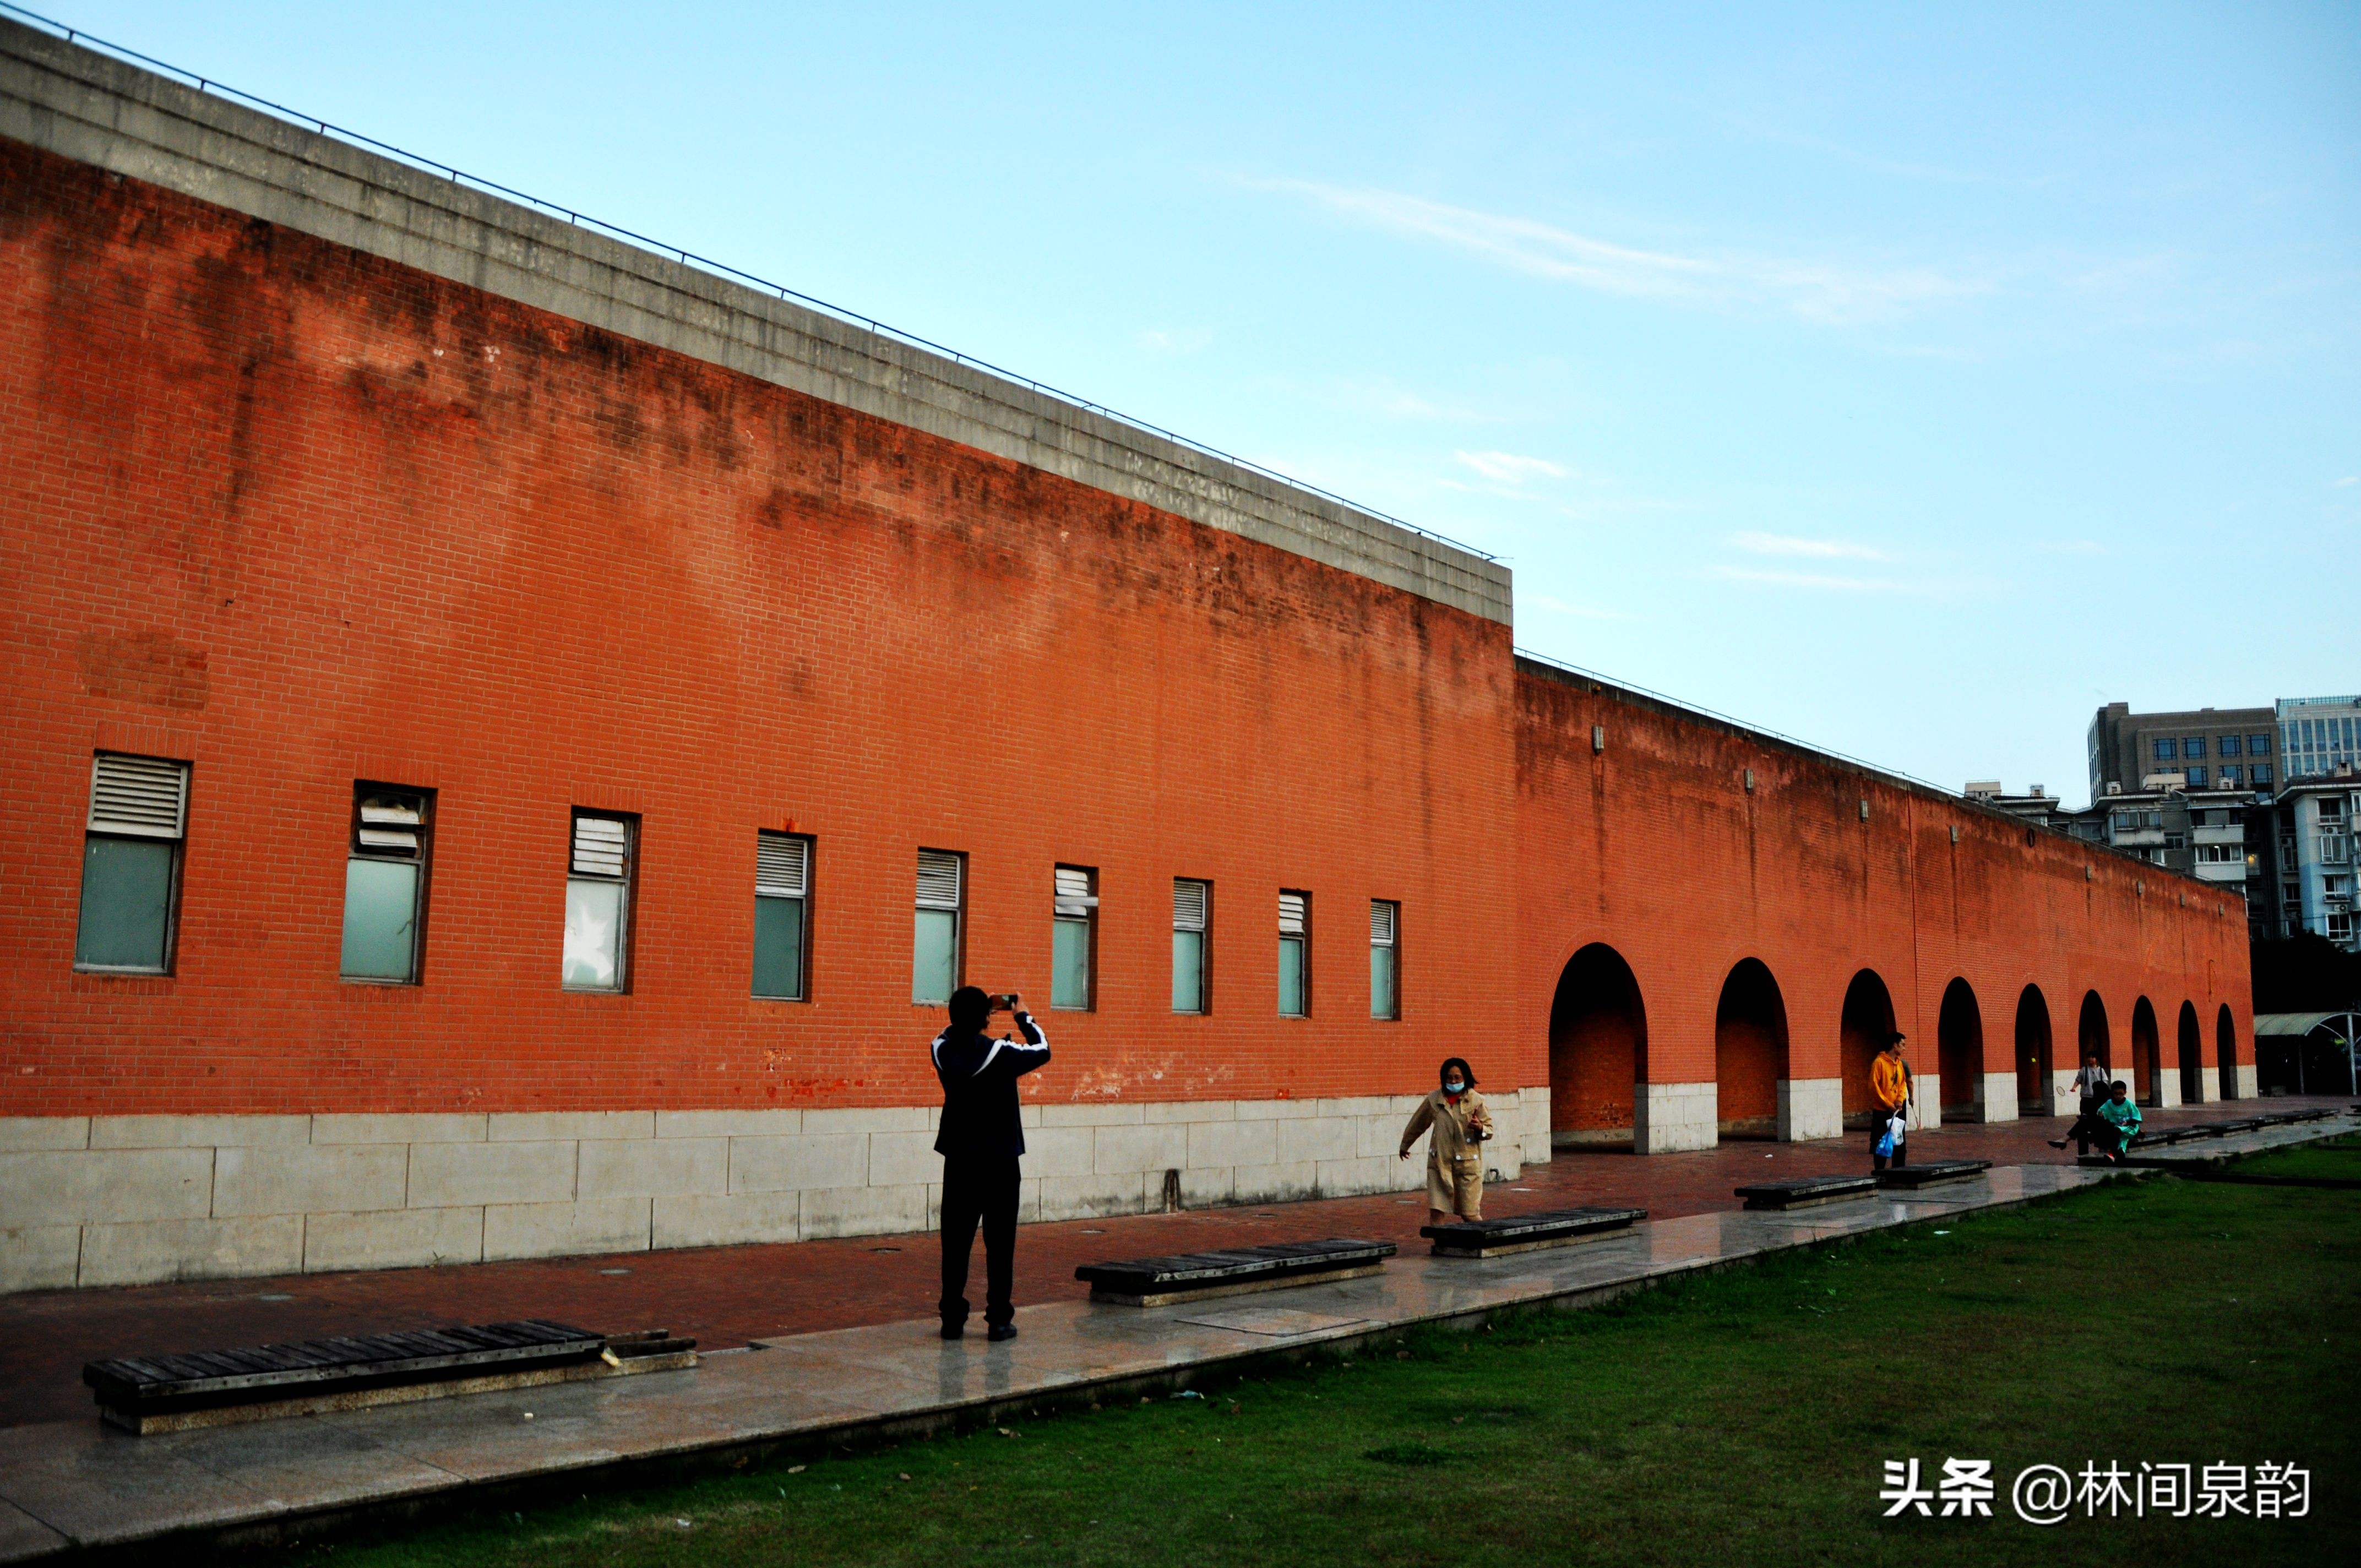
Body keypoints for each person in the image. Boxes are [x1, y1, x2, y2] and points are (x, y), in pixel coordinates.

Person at [932, 986, 1049, 1342]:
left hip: (959, 1161)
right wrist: (1020, 1013)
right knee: (1000, 1244)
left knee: (955, 1244)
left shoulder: (941, 1051)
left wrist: (978, 1014)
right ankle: (999, 1320)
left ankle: (952, 1320)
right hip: (999, 1161)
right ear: (984, 1018)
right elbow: (1042, 1050)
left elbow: (951, 1034)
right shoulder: (1001, 1053)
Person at [1397, 1057, 1494, 1226]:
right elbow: (1418, 1124)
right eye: (1449, 1078)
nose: (1453, 1081)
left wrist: (1480, 1128)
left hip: (1467, 1167)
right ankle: (1440, 1245)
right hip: (1440, 1164)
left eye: (1458, 1078)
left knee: (1470, 1214)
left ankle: (1480, 1244)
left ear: (1466, 1078)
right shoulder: (1434, 1100)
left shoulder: (1476, 1101)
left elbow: (1489, 1131)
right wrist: (1405, 1145)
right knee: (1437, 1211)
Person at [2048, 1052, 2113, 1155]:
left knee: (2084, 1124)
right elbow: (2078, 1080)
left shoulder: (2101, 1072)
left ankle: (2065, 1140)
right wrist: (2074, 1087)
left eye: (2093, 1057)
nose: (2090, 1059)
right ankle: (2067, 1142)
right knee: (2084, 1123)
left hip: (2108, 1127)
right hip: (2088, 1102)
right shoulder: (2084, 1070)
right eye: (2089, 1057)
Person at [1870, 1031, 1912, 1172]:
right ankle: (1880, 1172)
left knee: (1899, 1143)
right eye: (1902, 1045)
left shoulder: (1899, 1064)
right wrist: (1888, 1104)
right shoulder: (1879, 1063)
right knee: (1881, 1143)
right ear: (1895, 1045)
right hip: (1882, 1111)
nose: (1904, 1048)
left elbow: (1902, 1084)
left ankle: (1899, 1171)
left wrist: (1900, 1100)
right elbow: (1874, 1087)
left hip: (1897, 1112)